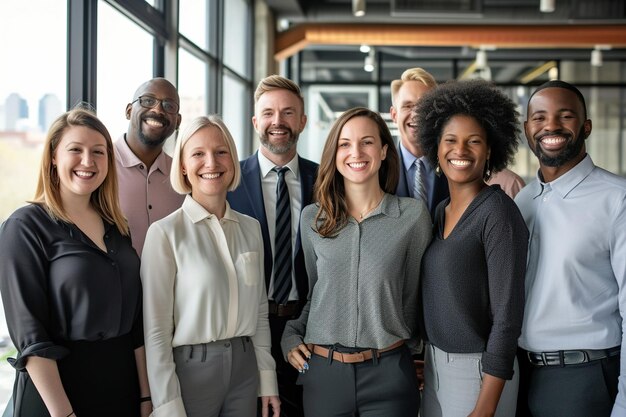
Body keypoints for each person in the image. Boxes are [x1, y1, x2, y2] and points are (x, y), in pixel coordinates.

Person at [0, 108, 151, 417]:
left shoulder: (117, 228)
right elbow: (31, 337)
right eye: (75, 150)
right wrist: (64, 414)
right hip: (58, 396)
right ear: (54, 156)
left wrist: (146, 398)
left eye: (98, 152)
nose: (88, 161)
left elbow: (136, 325)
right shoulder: (25, 226)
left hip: (121, 390)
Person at [281, 107, 432, 417]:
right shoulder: (313, 219)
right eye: (345, 144)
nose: (356, 152)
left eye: (367, 142)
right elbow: (318, 296)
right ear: (334, 153)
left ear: (384, 150)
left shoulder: (412, 216)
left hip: (390, 373)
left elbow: (412, 298)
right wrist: (291, 334)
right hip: (324, 374)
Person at [141, 115, 280, 417]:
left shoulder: (251, 228)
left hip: (245, 372)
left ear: (232, 159)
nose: (211, 163)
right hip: (191, 374)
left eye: (221, 152)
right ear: (182, 166)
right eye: (198, 154)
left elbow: (258, 314)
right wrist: (167, 405)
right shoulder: (165, 233)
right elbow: (156, 332)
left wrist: (268, 381)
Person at [414, 79, 528, 417]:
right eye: (450, 140)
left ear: (490, 150)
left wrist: (486, 404)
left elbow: (508, 317)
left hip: (479, 372)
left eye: (473, 141)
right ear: (436, 148)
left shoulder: (498, 212)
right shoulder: (440, 212)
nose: (460, 150)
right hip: (436, 366)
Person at [515, 80, 626, 417]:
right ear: (527, 129)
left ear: (586, 127)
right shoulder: (523, 201)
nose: (551, 126)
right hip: (521, 373)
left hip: (585, 378)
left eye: (565, 116)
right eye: (540, 118)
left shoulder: (616, 199)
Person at [227, 75, 318, 417]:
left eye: (288, 112)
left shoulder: (324, 181)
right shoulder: (229, 181)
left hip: (306, 330)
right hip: (248, 331)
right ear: (255, 122)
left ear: (302, 121)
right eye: (268, 113)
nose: (277, 121)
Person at [115, 77, 185, 254]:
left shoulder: (183, 176)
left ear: (177, 122)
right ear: (129, 111)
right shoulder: (99, 166)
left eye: (169, 106)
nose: (157, 109)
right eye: (147, 101)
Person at [390, 67, 449, 218]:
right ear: (394, 115)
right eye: (408, 106)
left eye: (425, 106)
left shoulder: (454, 165)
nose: (417, 114)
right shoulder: (378, 171)